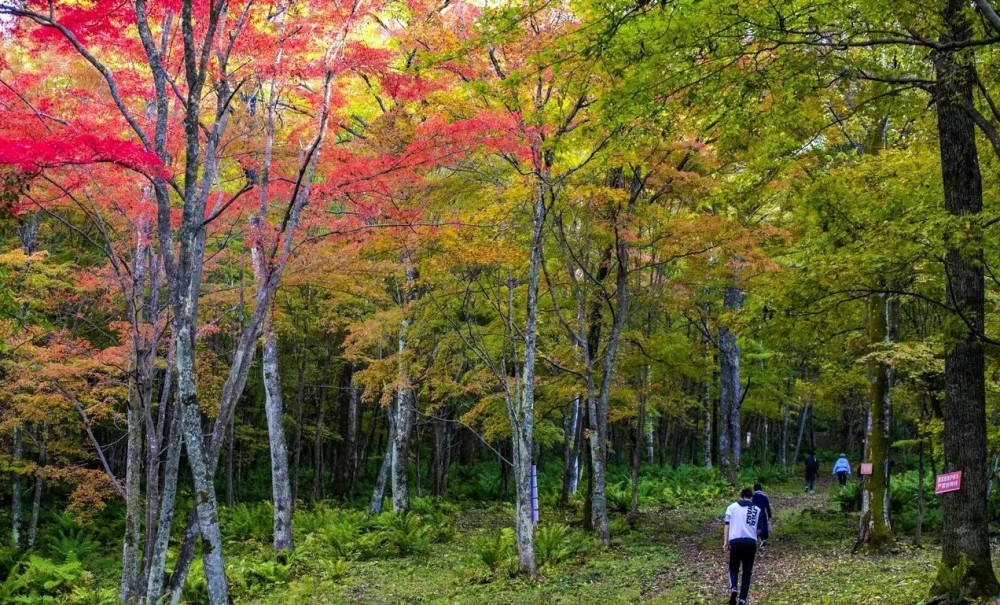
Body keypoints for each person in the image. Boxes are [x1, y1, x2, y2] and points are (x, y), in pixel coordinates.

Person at [724, 487, 761, 605]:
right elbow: (759, 529)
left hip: (735, 541)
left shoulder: (732, 507)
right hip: (750, 542)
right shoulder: (757, 509)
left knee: (733, 568)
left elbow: (727, 524)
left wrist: (725, 541)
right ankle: (742, 600)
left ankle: (734, 588)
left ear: (740, 496)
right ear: (751, 497)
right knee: (747, 572)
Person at [752, 483, 773, 547]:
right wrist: (769, 515)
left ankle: (757, 539)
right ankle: (763, 539)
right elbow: (768, 507)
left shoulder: (753, 497)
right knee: (763, 526)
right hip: (762, 514)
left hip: (754, 513)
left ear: (754, 489)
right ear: (761, 489)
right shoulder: (764, 497)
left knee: (755, 526)